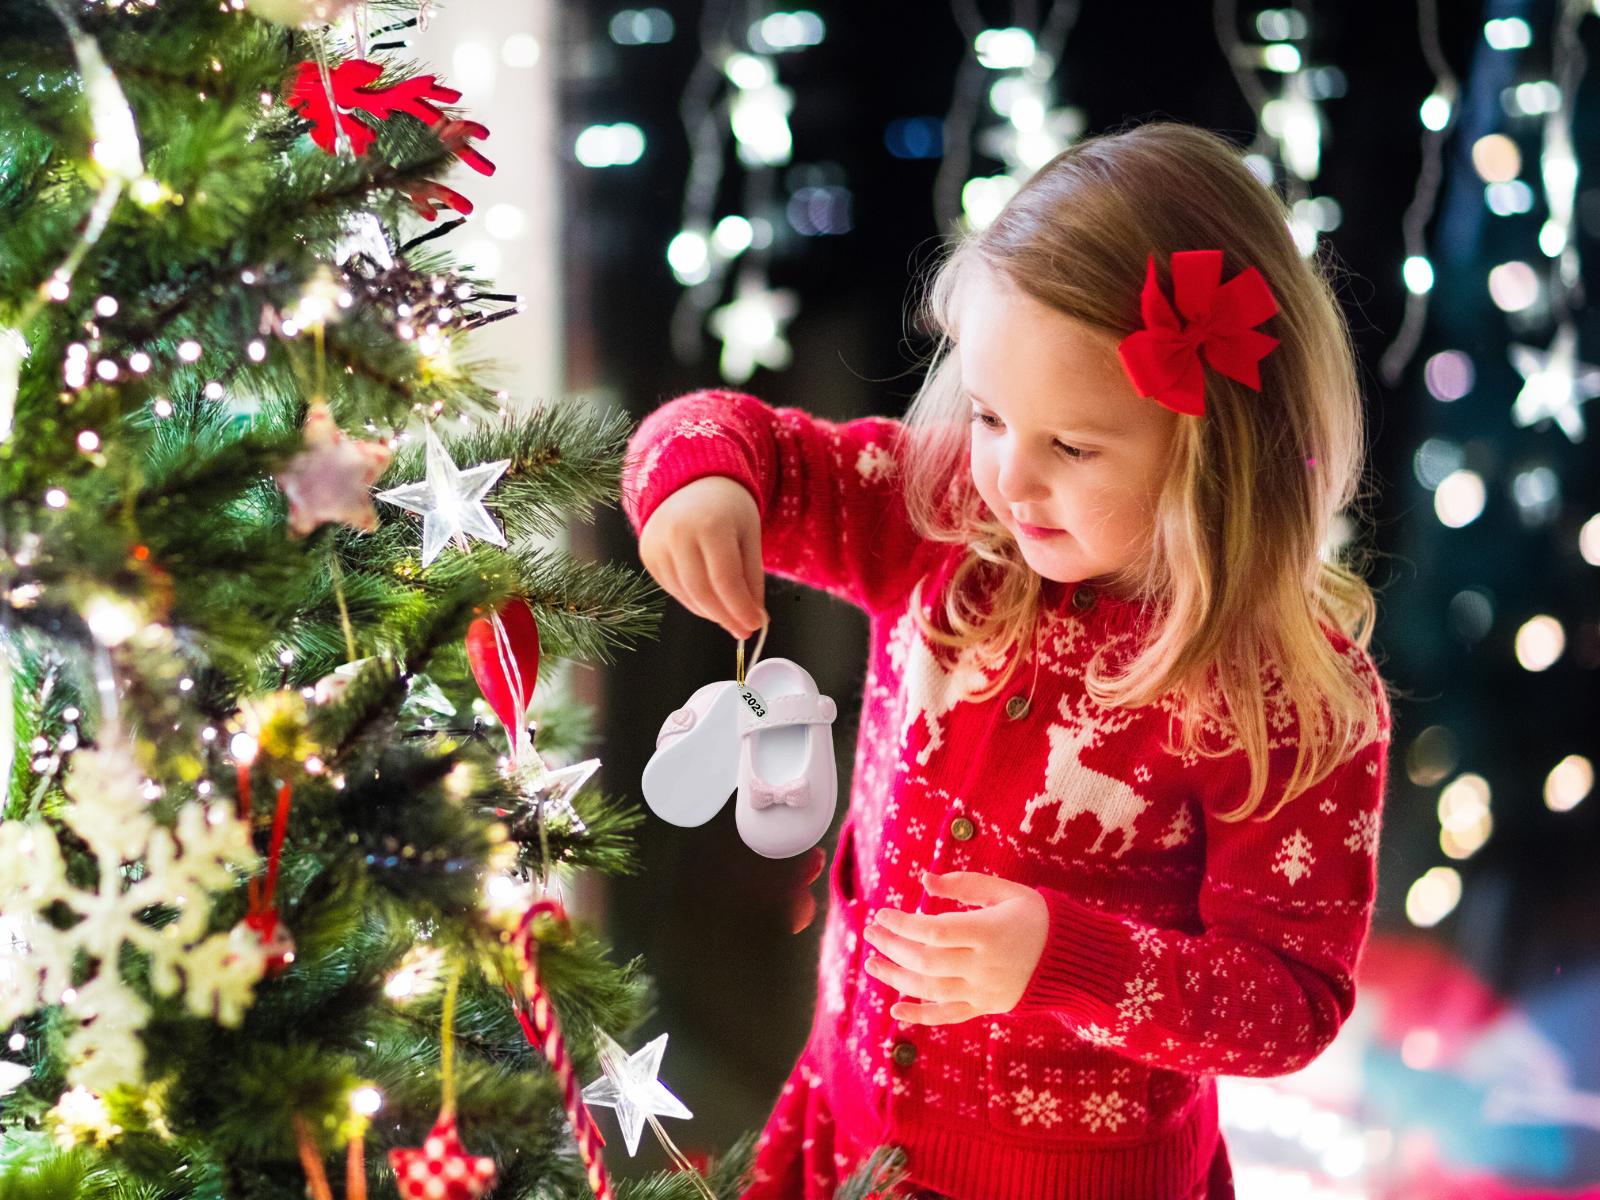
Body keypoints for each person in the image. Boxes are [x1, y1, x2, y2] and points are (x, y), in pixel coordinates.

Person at [619, 121, 1395, 1200]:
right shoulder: (942, 526)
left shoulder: (1283, 697)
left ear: (1215, 445)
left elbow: (1291, 1003)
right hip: (847, 1130)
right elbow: (739, 439)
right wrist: (703, 480)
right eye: (987, 415)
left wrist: (1066, 962)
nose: (1008, 480)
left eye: (1071, 447)